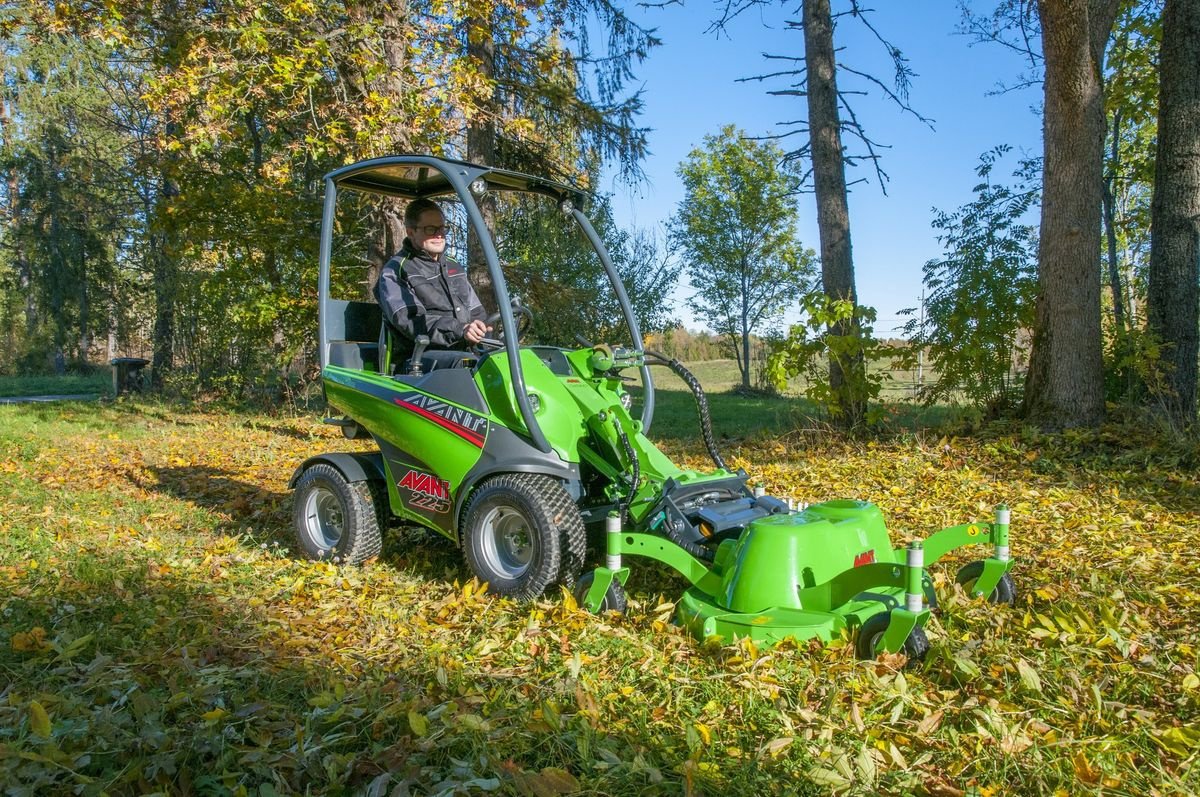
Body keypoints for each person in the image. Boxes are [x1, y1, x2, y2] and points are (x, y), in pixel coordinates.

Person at [375, 198, 490, 367]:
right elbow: (412, 321)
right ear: (411, 232)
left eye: (442, 228)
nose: (439, 235)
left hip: (461, 352)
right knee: (469, 365)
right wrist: (460, 330)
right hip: (417, 359)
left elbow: (476, 311)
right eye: (431, 229)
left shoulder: (453, 267)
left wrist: (482, 330)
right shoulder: (395, 271)